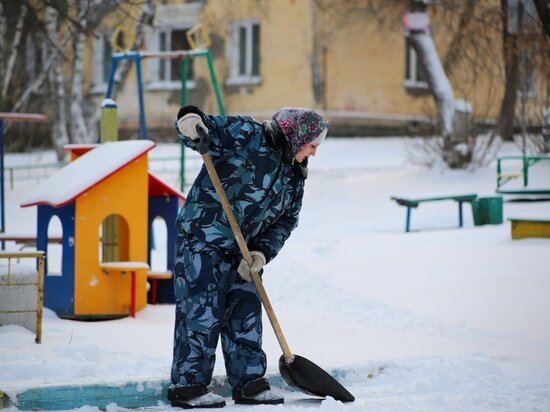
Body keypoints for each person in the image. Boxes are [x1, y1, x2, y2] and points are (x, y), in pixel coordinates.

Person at [168, 105, 329, 409]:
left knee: (246, 316)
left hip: (244, 253)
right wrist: (191, 122)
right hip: (203, 241)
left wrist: (262, 252)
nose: (314, 153)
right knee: (200, 314)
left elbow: (286, 221)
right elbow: (205, 132)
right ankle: (188, 387)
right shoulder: (248, 135)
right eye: (312, 145)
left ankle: (249, 384)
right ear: (297, 137)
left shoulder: (294, 176)